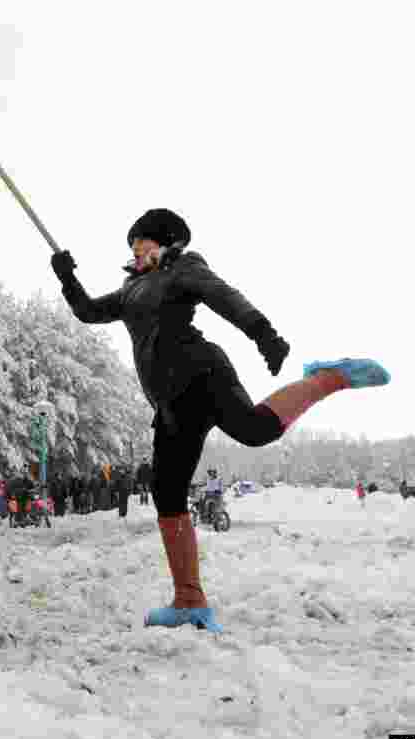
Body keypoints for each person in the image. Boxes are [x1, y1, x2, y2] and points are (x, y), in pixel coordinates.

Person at [50, 207, 390, 633]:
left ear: (168, 243)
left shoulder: (184, 269)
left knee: (256, 430)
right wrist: (67, 277)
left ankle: (329, 377)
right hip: (171, 404)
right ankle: (189, 601)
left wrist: (262, 331)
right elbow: (87, 311)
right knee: (168, 494)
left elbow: (223, 295)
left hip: (203, 375)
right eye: (133, 245)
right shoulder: (130, 289)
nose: (137, 250)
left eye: (145, 243)